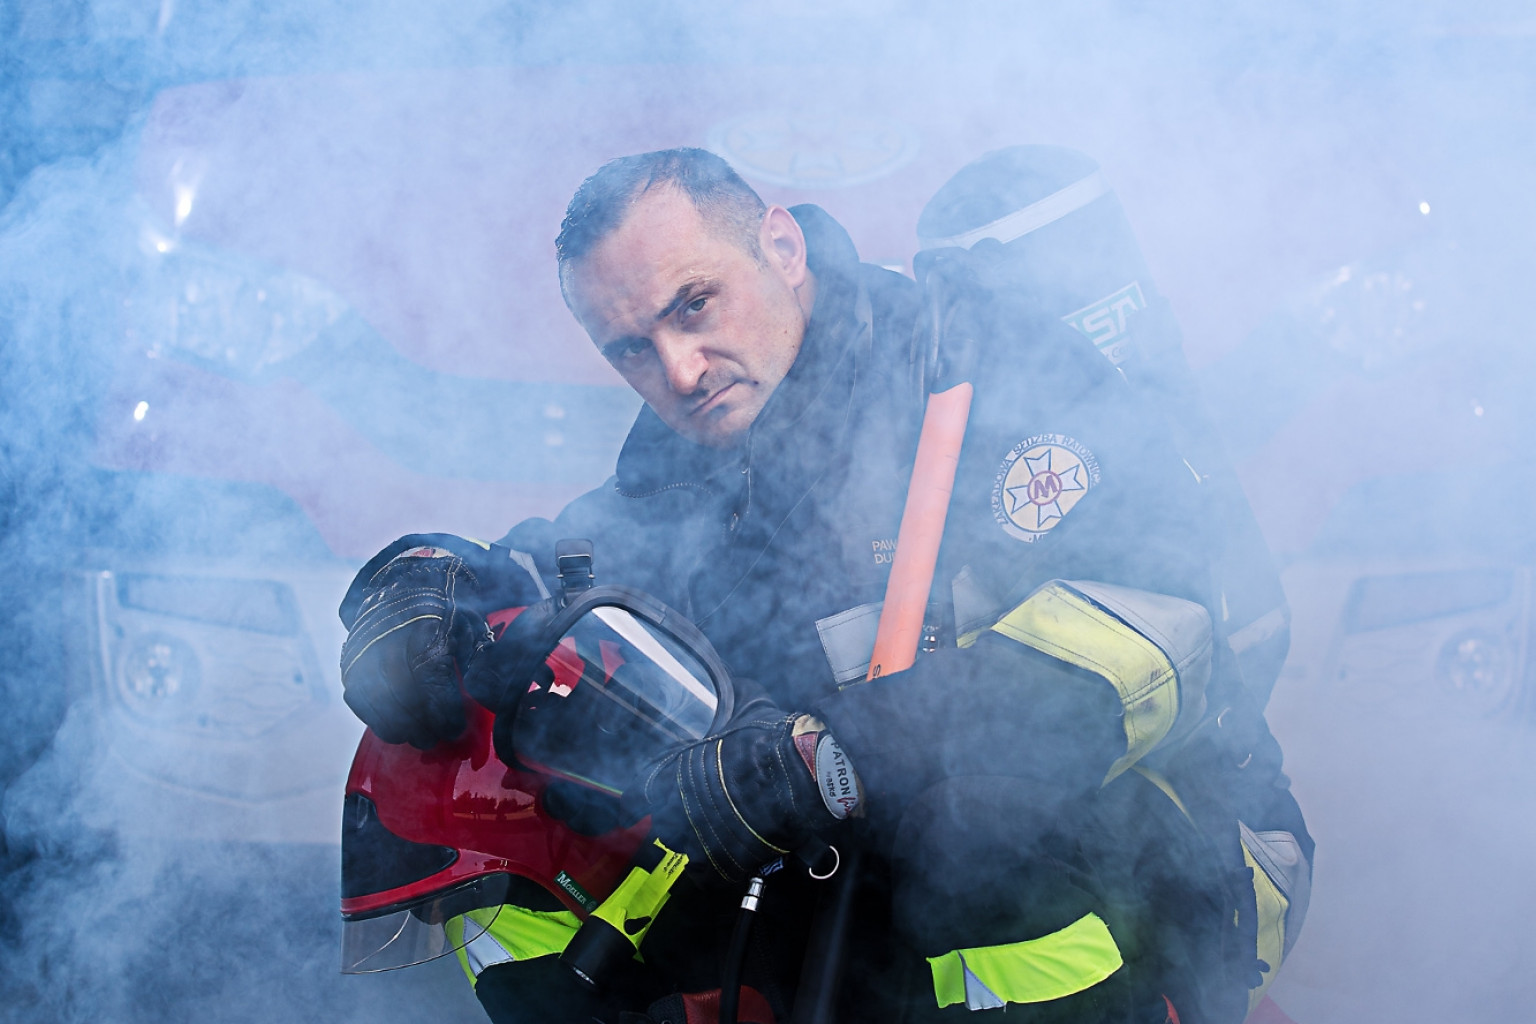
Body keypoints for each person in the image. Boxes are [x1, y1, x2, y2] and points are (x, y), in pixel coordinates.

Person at [338, 147, 1311, 1024]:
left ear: (782, 246)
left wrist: (831, 754)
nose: (676, 368)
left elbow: (1149, 627)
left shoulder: (984, 369)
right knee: (451, 750)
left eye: (693, 304)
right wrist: (437, 585)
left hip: (1171, 866)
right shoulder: (695, 446)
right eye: (630, 347)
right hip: (853, 866)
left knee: (978, 845)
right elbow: (576, 562)